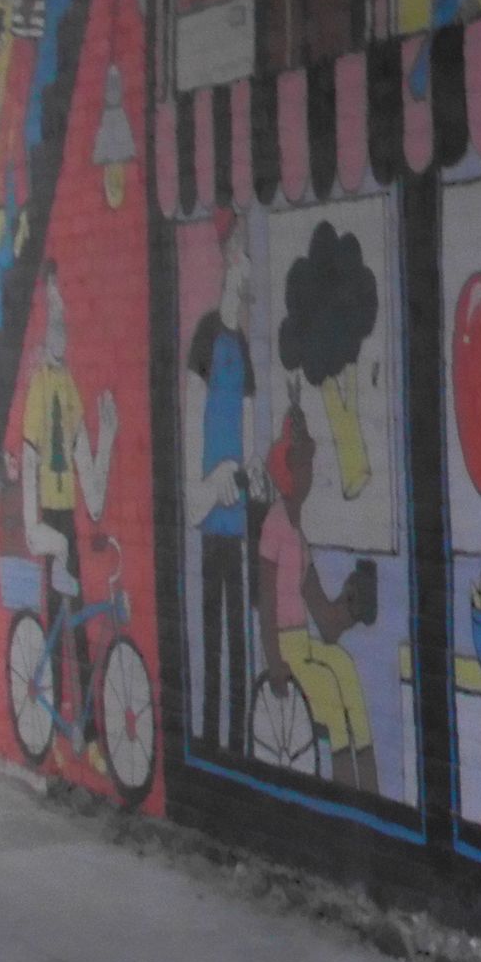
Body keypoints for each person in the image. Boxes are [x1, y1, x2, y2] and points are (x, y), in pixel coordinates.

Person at [252, 394, 380, 793]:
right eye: (302, 465)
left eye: (309, 463)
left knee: (345, 670)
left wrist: (349, 605)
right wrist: (274, 660)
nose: (308, 473)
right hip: (287, 648)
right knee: (330, 698)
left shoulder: (299, 535)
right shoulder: (274, 527)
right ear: (287, 471)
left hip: (305, 644)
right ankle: (345, 794)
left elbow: (322, 617)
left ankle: (370, 790)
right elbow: (266, 599)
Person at [19, 268, 119, 772]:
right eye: (55, 324)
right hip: (47, 522)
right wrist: (51, 544)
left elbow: (94, 499)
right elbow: (29, 480)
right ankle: (60, 731)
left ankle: (89, 732)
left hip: (68, 524)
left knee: (76, 629)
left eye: (66, 326)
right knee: (59, 627)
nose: (62, 335)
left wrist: (110, 435)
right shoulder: (40, 389)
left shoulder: (69, 389)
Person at [185, 215, 258, 756]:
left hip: (239, 519)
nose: (249, 266)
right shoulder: (206, 337)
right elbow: (193, 426)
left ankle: (236, 746)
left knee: (239, 641)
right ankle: (211, 741)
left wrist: (247, 474)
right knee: (212, 640)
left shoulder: (244, 347)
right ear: (232, 260)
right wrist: (209, 482)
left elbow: (249, 443)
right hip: (212, 518)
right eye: (244, 254)